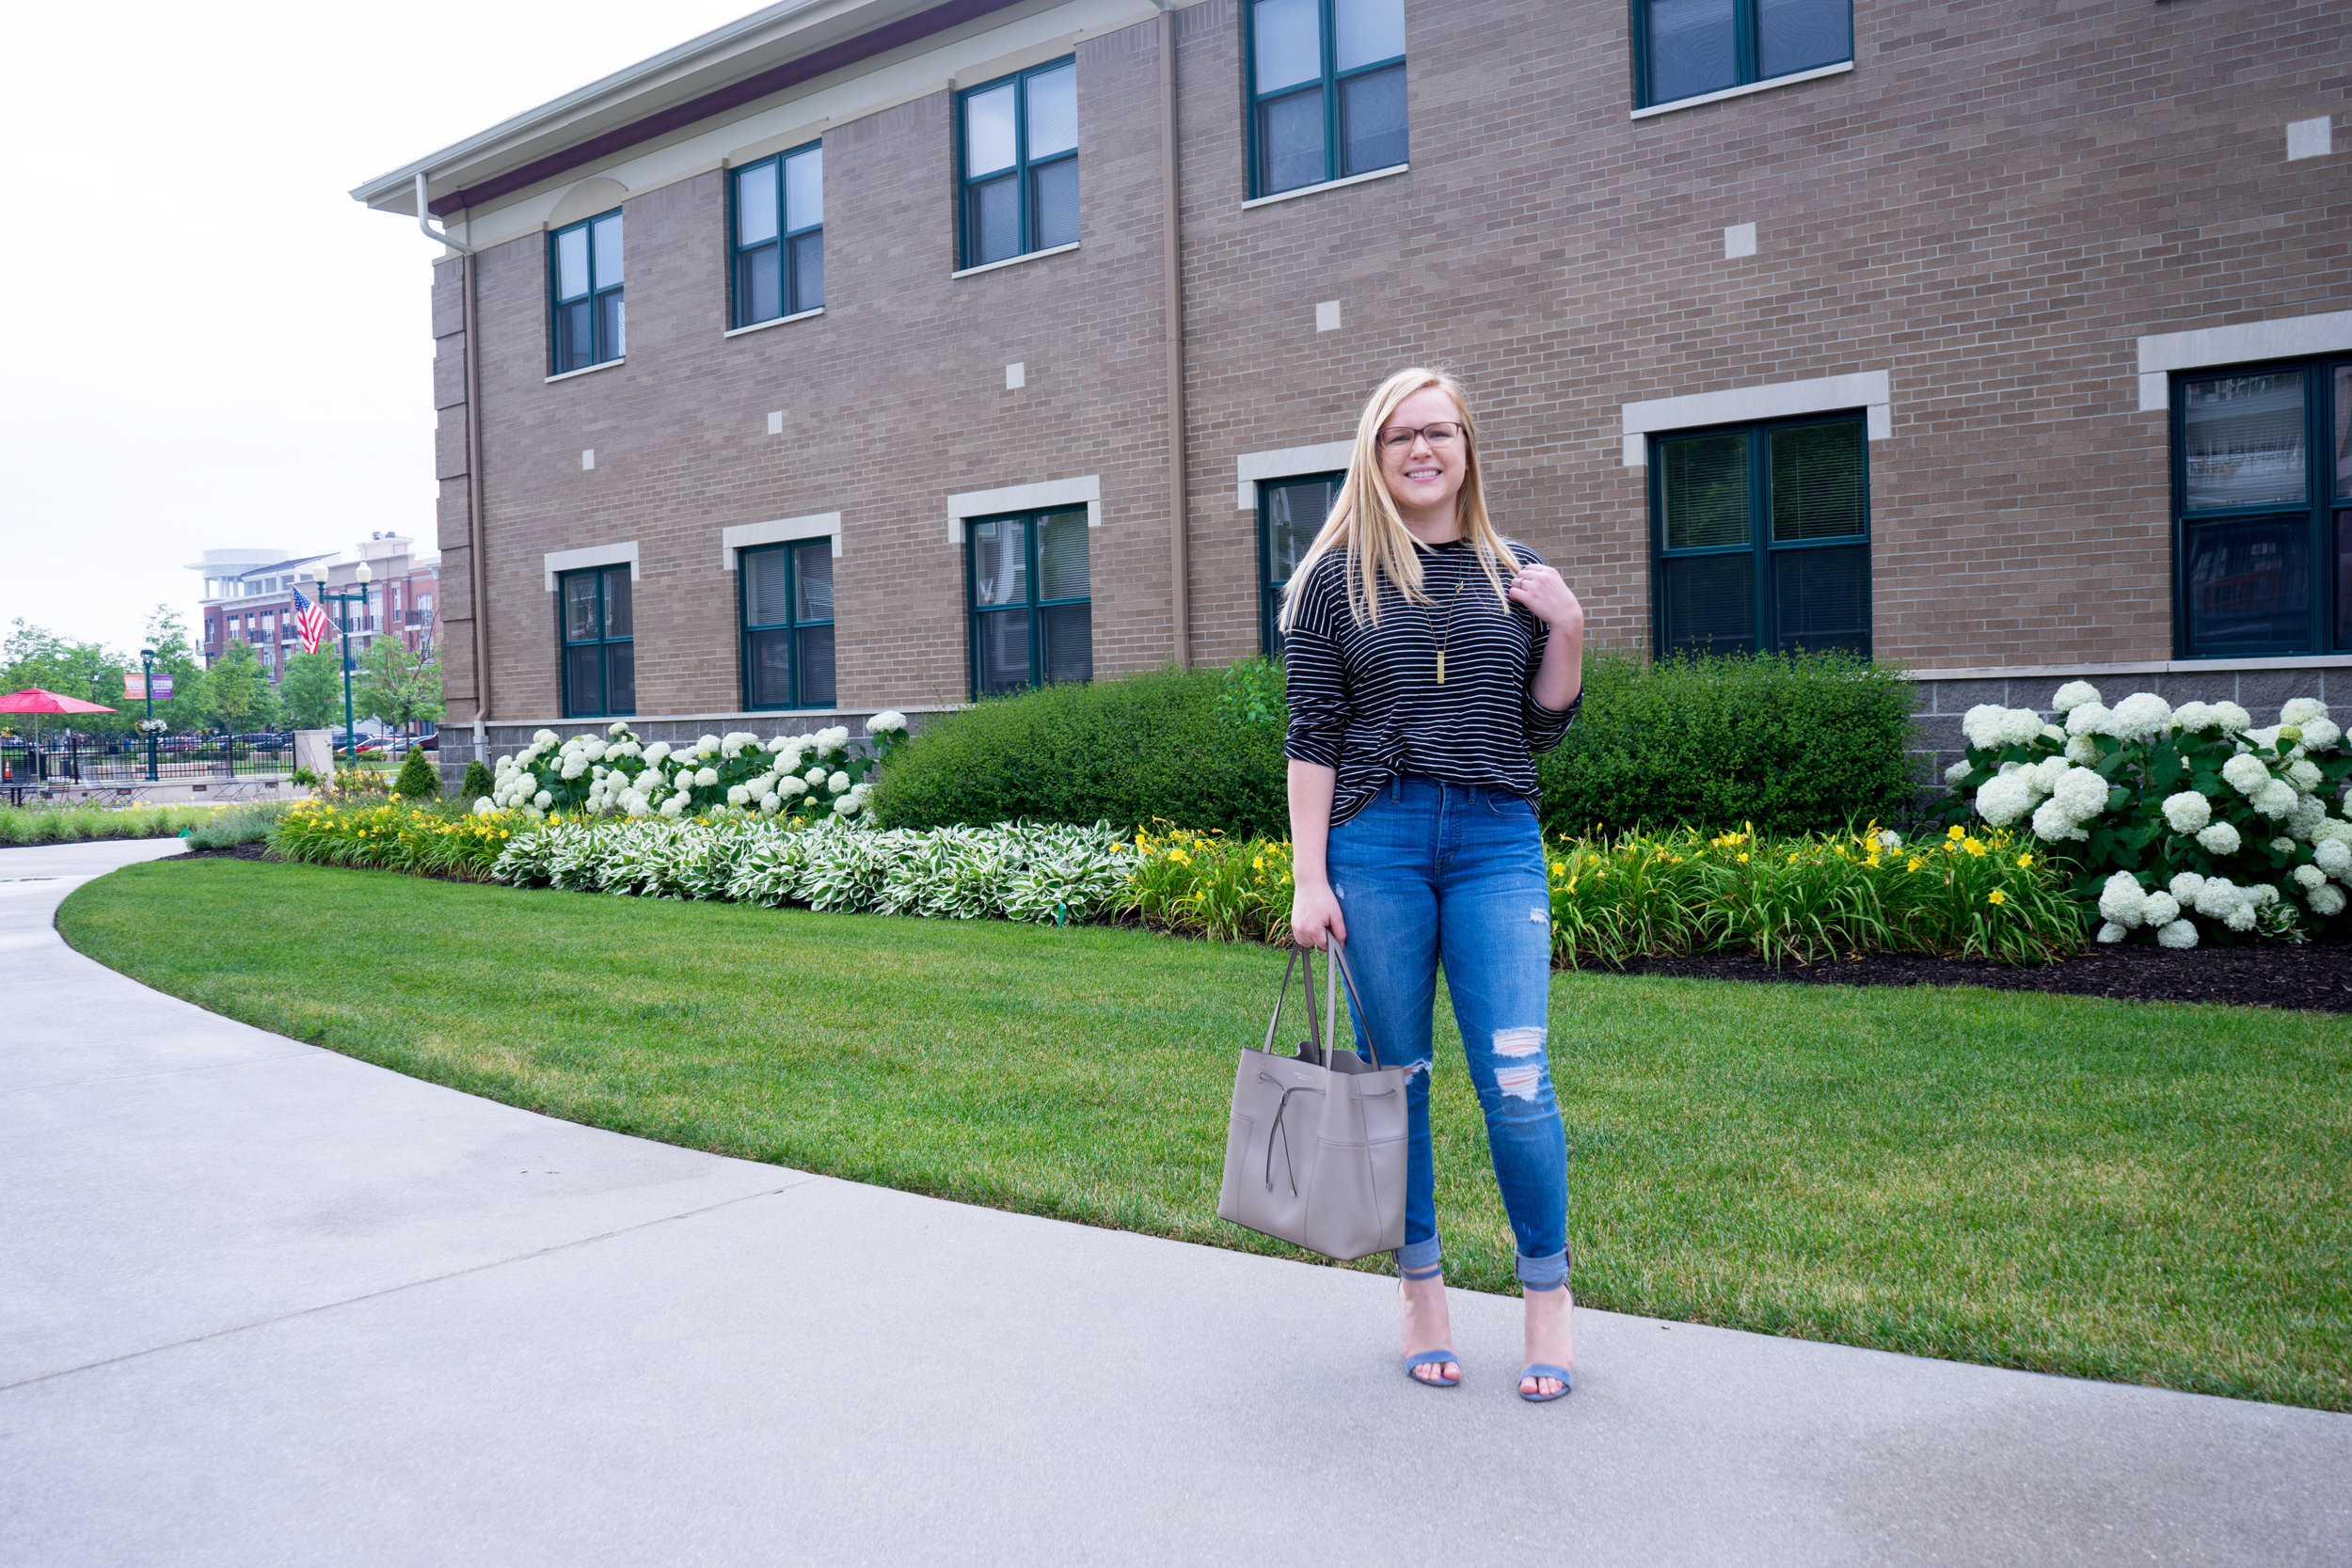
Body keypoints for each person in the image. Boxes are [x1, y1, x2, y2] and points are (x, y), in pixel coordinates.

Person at [1280, 367, 1585, 1402]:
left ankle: (1547, 1296)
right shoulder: (1337, 580)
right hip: (1380, 843)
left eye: (1439, 432)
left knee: (1516, 1078)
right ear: (1373, 453)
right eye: (1400, 434)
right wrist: (1308, 877)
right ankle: (1422, 1291)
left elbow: (1540, 727)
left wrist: (1570, 630)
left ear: (1467, 445)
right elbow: (1311, 737)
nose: (1421, 450)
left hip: (1497, 838)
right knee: (1397, 1080)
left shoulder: (1518, 568)